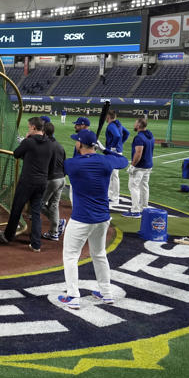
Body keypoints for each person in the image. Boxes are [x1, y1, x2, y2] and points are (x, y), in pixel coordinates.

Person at [58, 129, 129, 309]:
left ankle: (73, 296)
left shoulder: (72, 164)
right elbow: (123, 161)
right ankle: (106, 293)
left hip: (82, 219)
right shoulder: (106, 161)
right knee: (99, 254)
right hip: (103, 218)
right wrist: (105, 150)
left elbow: (66, 163)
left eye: (77, 142)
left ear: (80, 145)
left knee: (70, 256)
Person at [4, 117, 55, 252]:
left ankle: (8, 236)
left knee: (16, 208)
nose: (28, 129)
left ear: (33, 127)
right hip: (42, 182)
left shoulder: (29, 142)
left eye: (28, 127)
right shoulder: (50, 144)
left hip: (27, 181)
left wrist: (26, 140)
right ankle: (36, 244)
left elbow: (16, 154)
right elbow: (51, 163)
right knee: (36, 212)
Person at [122, 118, 155, 217]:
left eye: (135, 123)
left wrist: (132, 165)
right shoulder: (150, 135)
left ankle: (135, 211)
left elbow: (138, 153)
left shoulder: (139, 138)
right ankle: (144, 207)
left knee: (133, 187)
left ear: (139, 125)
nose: (134, 125)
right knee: (144, 186)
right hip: (148, 166)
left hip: (139, 167)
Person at [41, 121, 67, 241]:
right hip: (62, 179)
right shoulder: (59, 146)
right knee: (54, 205)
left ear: (44, 132)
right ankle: (54, 232)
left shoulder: (46, 146)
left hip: (52, 180)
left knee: (38, 204)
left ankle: (57, 222)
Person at [104, 110, 129, 208]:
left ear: (109, 116)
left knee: (114, 175)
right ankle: (111, 195)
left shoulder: (111, 125)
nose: (106, 118)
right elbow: (127, 133)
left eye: (106, 116)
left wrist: (113, 146)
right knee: (112, 175)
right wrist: (120, 144)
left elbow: (117, 135)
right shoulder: (118, 124)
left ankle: (114, 197)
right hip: (118, 151)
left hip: (113, 152)